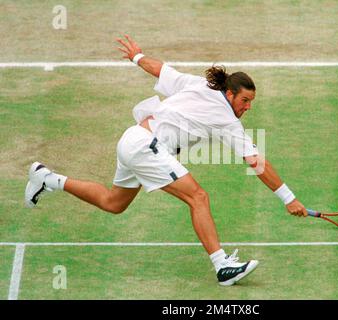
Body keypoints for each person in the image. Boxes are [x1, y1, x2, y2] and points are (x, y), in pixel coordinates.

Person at [25, 35, 308, 286]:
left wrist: (136, 55)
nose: (248, 107)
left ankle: (47, 179)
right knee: (198, 197)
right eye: (245, 100)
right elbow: (256, 161)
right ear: (230, 93)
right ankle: (222, 266)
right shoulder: (226, 119)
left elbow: (160, 69)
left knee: (114, 203)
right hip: (147, 147)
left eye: (251, 102)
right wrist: (288, 198)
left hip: (132, 139)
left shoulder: (196, 84)